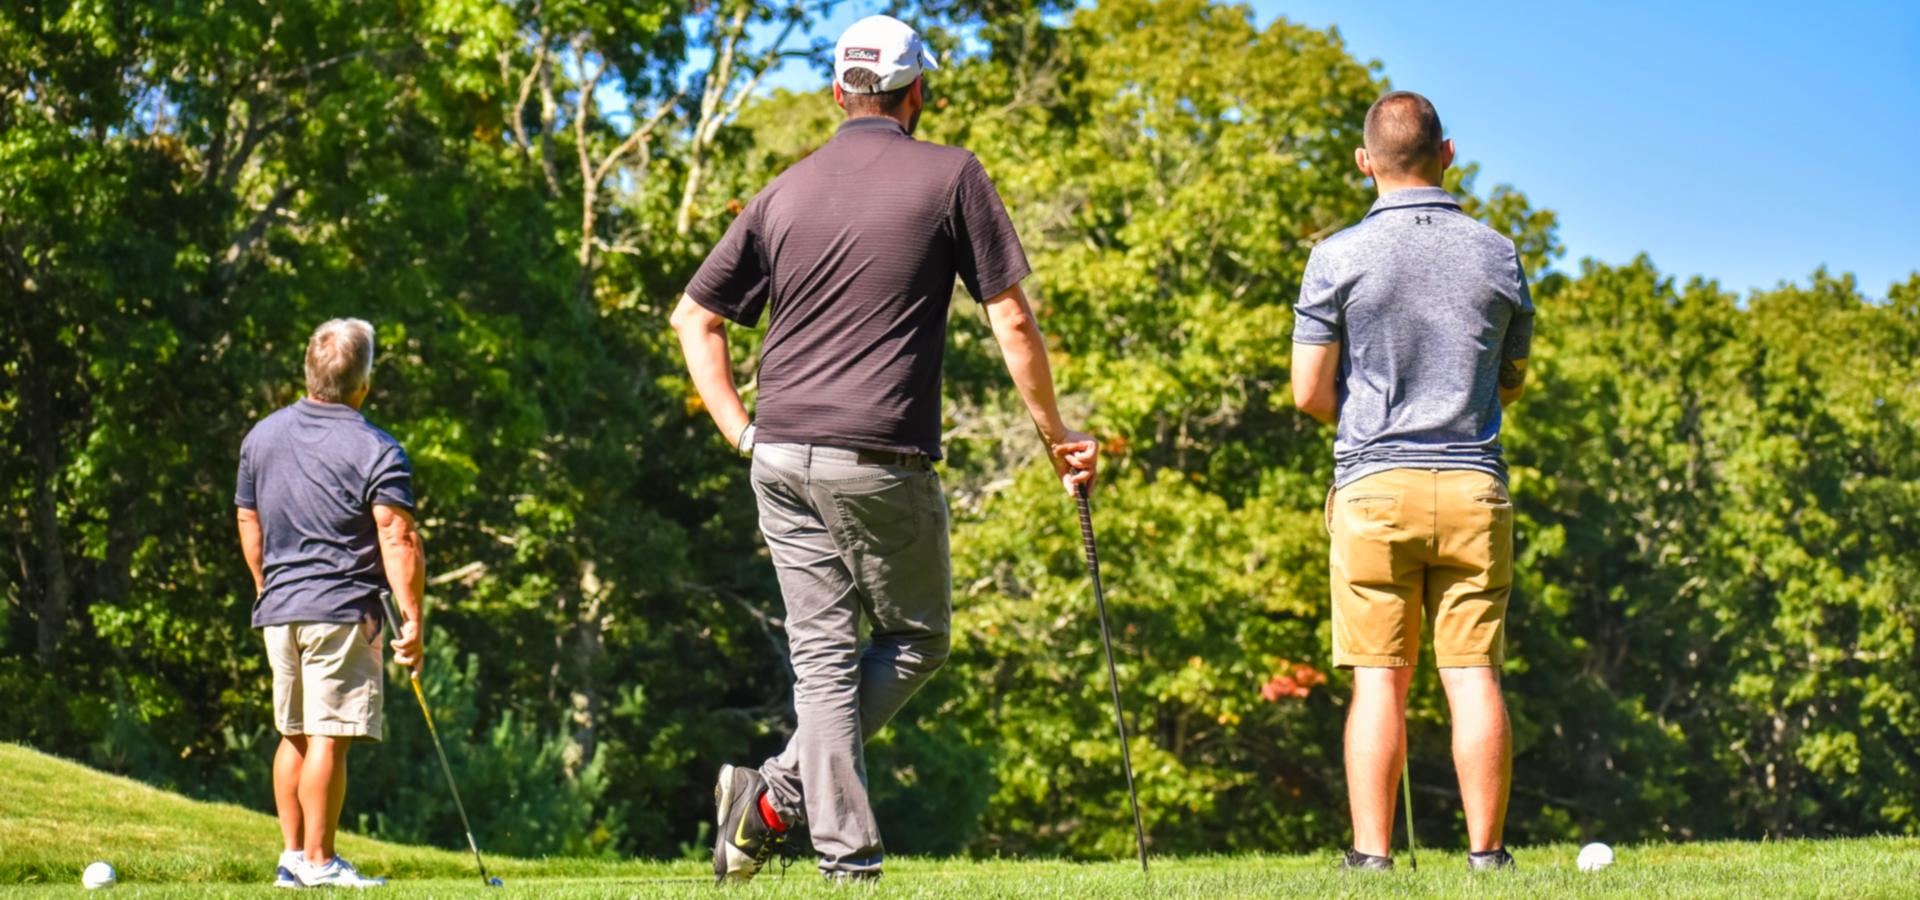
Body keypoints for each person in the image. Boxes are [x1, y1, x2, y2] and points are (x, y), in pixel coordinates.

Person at [671, 14, 1099, 884]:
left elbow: (694, 317)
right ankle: (823, 838)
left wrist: (739, 430)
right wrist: (1057, 440)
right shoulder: (951, 174)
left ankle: (778, 805)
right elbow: (1010, 317)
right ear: (917, 95)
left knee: (822, 659)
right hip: (878, 457)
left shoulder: (782, 191)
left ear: (839, 93)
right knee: (916, 637)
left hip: (780, 454)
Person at [1290, 91, 1534, 872]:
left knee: (1378, 682)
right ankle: (1487, 857)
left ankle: (1371, 858)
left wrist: (1364, 422)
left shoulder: (1336, 256)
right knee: (1472, 676)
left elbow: (1307, 391)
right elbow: (1514, 377)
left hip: (1373, 489)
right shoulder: (1499, 253)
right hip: (1473, 488)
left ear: (1366, 162)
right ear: (1449, 154)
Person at [235, 318, 426, 889]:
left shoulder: (261, 436)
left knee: (293, 732)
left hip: (280, 607)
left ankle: (292, 859)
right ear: (364, 383)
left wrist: (264, 585)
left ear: (308, 372)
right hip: (342, 609)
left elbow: (248, 517)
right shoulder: (376, 447)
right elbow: (398, 538)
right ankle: (318, 862)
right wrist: (413, 619)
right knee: (327, 736)